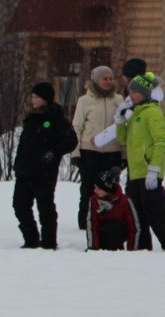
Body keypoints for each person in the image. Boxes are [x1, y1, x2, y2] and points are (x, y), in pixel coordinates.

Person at [116, 71, 165, 251]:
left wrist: (154, 169)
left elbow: (161, 142)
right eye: (130, 92)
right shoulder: (136, 114)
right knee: (137, 214)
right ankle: (142, 248)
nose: (131, 95)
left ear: (145, 93)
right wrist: (120, 120)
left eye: (135, 92)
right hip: (135, 172)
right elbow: (122, 139)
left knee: (155, 211)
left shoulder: (152, 112)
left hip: (148, 172)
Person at [11, 83, 77, 249]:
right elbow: (23, 145)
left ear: (46, 99)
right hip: (25, 171)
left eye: (36, 97)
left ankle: (48, 242)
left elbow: (71, 140)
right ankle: (31, 238)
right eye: (32, 97)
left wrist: (54, 153)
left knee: (45, 207)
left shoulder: (56, 119)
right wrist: (18, 164)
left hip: (44, 172)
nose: (33, 100)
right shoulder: (30, 118)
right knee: (20, 205)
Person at [70, 65, 124, 230]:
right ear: (95, 81)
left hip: (112, 152)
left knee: (111, 189)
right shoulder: (84, 101)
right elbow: (76, 127)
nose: (108, 81)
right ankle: (86, 221)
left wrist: (125, 155)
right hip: (89, 152)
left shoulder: (119, 100)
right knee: (88, 189)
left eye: (110, 78)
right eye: (104, 78)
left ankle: (110, 220)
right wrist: (75, 152)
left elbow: (125, 129)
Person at [85, 166, 138, 251]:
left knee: (114, 228)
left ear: (107, 189)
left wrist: (132, 250)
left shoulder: (125, 201)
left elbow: (133, 227)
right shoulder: (94, 200)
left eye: (98, 188)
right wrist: (92, 248)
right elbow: (91, 225)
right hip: (101, 239)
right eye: (94, 187)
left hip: (118, 236)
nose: (95, 191)